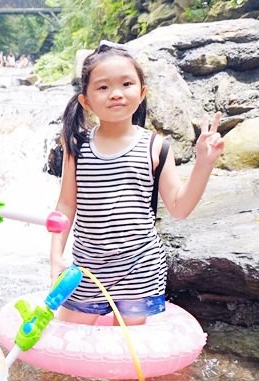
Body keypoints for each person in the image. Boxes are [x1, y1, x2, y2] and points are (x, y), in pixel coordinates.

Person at [50, 41, 225, 326]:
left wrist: (203, 164)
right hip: (86, 268)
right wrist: (56, 255)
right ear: (86, 100)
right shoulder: (77, 146)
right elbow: (66, 205)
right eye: (103, 87)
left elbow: (179, 208)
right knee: (67, 334)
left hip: (138, 268)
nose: (116, 94)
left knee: (126, 355)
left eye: (127, 84)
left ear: (142, 93)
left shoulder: (156, 147)